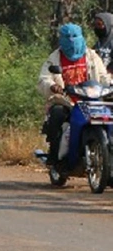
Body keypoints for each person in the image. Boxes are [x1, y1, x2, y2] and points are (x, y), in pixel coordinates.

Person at [38, 22, 110, 165]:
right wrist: (53, 86)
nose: (72, 40)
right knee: (57, 114)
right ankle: (54, 156)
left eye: (75, 36)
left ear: (81, 37)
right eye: (68, 37)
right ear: (62, 39)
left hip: (91, 100)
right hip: (66, 101)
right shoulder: (54, 58)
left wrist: (109, 83)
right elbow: (43, 79)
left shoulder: (91, 56)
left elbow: (102, 76)